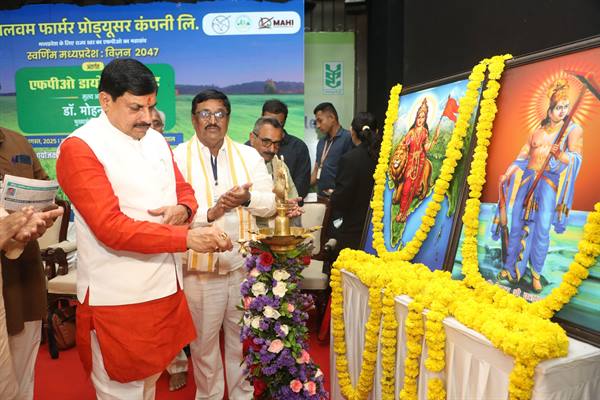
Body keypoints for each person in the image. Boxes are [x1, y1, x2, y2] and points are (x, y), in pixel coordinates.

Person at [56, 58, 232, 400]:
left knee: (149, 384)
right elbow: (110, 228)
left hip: (165, 288)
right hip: (118, 299)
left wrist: (184, 210)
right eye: (136, 107)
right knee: (123, 391)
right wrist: (187, 238)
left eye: (151, 106)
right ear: (105, 100)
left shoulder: (154, 140)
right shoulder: (80, 148)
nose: (147, 117)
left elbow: (185, 191)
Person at [173, 89, 275, 400]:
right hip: (198, 271)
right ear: (194, 120)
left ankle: (242, 395)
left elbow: (270, 205)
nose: (212, 120)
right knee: (203, 344)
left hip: (242, 268)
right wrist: (211, 212)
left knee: (242, 341)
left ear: (228, 119)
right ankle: (209, 396)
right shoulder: (177, 157)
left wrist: (247, 198)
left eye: (219, 114)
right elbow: (173, 212)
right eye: (205, 114)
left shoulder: (249, 156)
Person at [492, 79, 583, 292]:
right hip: (527, 181)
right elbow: (522, 158)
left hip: (548, 184)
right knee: (516, 224)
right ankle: (510, 269)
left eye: (566, 107)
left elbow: (575, 159)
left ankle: (535, 274)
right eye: (559, 107)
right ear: (549, 110)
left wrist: (560, 155)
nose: (563, 111)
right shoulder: (536, 132)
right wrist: (507, 174)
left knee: (542, 229)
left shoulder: (571, 131)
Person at [0, 126, 63, 400]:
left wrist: (45, 214)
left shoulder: (17, 141)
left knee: (23, 366)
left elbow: (45, 189)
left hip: (24, 272)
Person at [150, 107, 189, 392]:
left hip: (173, 240)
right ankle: (153, 365)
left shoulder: (171, 156)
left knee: (171, 313)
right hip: (136, 246)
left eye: (155, 124)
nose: (150, 127)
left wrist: (184, 209)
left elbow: (186, 194)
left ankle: (177, 366)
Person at [330, 112, 380, 252]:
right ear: (376, 131)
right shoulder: (386, 157)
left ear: (352, 132)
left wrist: (333, 195)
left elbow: (341, 199)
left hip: (353, 232)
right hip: (380, 231)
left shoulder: (349, 159)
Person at [389, 98, 438, 223]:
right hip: (410, 160)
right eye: (419, 117)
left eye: (423, 117)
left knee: (413, 187)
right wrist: (401, 150)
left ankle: (404, 214)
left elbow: (425, 147)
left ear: (425, 119)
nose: (420, 120)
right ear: (416, 118)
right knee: (406, 187)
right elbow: (403, 144)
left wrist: (434, 141)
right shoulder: (411, 132)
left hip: (420, 161)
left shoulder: (425, 132)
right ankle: (401, 211)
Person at [248, 116, 302, 228]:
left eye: (277, 144)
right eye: (266, 142)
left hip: (277, 231)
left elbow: (292, 200)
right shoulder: (238, 163)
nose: (272, 149)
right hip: (248, 231)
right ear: (252, 138)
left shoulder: (280, 166)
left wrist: (291, 208)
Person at [261, 99, 311, 200]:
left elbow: (301, 187)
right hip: (256, 206)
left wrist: (282, 205)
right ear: (261, 119)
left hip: (289, 207)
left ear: (284, 122)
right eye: (269, 122)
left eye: (277, 124)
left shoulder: (299, 147)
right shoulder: (250, 147)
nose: (272, 128)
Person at [311, 102, 353, 197]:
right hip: (321, 197)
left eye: (320, 121)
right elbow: (316, 170)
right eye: (316, 122)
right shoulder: (321, 142)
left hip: (340, 198)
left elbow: (351, 173)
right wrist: (297, 187)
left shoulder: (348, 138)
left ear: (332, 118)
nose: (318, 125)